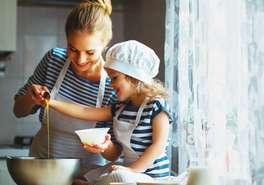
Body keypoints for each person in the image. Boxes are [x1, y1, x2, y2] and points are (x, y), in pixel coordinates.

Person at [13, 0, 117, 183]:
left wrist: (105, 146)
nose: (80, 59)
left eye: (90, 52)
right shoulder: (54, 60)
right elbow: (18, 111)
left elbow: (115, 153)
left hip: (86, 176)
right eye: (73, 49)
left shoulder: (113, 82)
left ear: (105, 44)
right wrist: (31, 97)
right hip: (42, 168)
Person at [46, 40, 172, 184]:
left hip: (152, 177)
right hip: (128, 170)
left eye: (115, 78)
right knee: (82, 177)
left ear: (135, 78)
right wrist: (50, 102)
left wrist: (131, 170)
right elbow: (85, 111)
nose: (111, 84)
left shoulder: (157, 106)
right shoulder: (121, 108)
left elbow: (158, 146)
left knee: (119, 178)